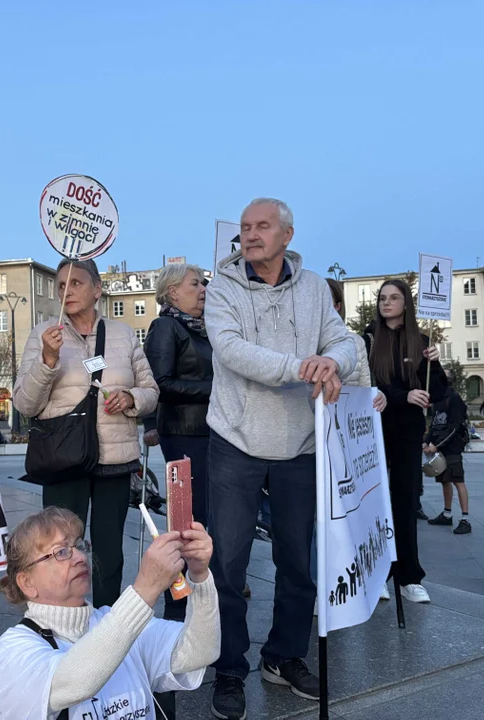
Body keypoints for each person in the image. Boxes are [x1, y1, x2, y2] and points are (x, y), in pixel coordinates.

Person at [203, 198, 358, 720]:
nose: (251, 234)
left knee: (297, 558)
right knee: (227, 561)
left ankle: (284, 656)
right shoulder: (222, 287)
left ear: (287, 234)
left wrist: (332, 360)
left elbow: (343, 340)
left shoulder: (314, 288)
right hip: (235, 440)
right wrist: (304, 366)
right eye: (245, 227)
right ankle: (229, 667)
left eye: (262, 226)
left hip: (299, 445)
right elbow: (230, 350)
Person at [14, 258, 159, 608]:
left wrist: (131, 398)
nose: (67, 290)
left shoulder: (123, 335)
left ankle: (108, 621)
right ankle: (63, 622)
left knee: (109, 551)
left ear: (97, 289)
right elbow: (24, 403)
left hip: (115, 456)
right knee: (58, 549)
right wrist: (48, 360)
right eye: (61, 285)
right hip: (63, 457)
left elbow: (151, 392)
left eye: (76, 283)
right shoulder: (44, 334)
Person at [0, 507, 220, 719]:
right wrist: (145, 590)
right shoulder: (9, 652)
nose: (78, 557)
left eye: (78, 545)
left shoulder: (113, 622)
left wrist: (200, 576)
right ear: (27, 583)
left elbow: (199, 652)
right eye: (60, 552)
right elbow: (73, 682)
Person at [364, 279, 446, 605]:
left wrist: (435, 362)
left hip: (408, 434)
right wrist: (402, 396)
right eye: (383, 298)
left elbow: (437, 392)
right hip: (372, 431)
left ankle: (409, 576)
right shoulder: (368, 340)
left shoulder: (422, 341)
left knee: (405, 502)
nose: (387, 303)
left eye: (394, 297)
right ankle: (377, 573)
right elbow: (370, 384)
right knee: (373, 505)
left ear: (405, 303)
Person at [143, 263, 212, 616]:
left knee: (204, 522)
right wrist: (214, 390)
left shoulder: (202, 330)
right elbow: (160, 383)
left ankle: (203, 595)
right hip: (184, 435)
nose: (202, 289)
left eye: (203, 283)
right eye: (195, 284)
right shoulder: (165, 327)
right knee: (187, 525)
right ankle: (179, 607)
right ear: (173, 292)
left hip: (210, 434)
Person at [325, 279, 388, 604]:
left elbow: (365, 384)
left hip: (349, 438)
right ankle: (329, 577)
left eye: (328, 300)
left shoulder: (353, 342)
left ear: (337, 306)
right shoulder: (304, 339)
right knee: (326, 513)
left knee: (357, 503)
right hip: (316, 440)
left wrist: (377, 399)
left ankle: (368, 565)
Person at [425, 372, 471, 535]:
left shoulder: (455, 399)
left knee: (458, 481)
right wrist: (427, 440)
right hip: (440, 449)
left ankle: (465, 519)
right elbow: (434, 425)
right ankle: (447, 513)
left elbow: (455, 426)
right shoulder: (438, 400)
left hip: (452, 448)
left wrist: (436, 445)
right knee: (445, 481)